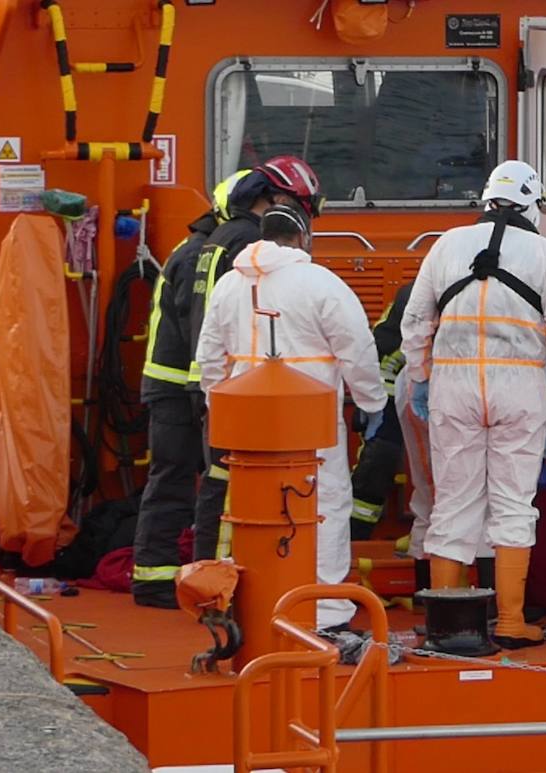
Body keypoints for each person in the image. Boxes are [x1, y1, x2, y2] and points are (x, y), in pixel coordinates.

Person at [400, 159, 546, 649]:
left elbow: (417, 319)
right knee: (512, 503)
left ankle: (448, 624)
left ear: (486, 199)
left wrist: (420, 377)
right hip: (520, 390)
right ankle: (509, 620)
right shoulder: (545, 255)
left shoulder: (445, 246)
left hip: (453, 388)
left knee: (454, 502)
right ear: (532, 204)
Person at [195, 202, 387, 630]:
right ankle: (323, 612)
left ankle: (257, 605)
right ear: (303, 237)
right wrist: (372, 404)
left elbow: (210, 357)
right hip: (309, 421)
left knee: (254, 515)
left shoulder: (229, 285)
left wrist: (218, 405)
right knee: (324, 507)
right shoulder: (321, 283)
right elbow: (357, 349)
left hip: (248, 424)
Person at [188, 156, 325, 561]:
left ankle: (212, 577)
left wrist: (212, 389)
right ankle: (220, 580)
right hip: (245, 389)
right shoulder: (251, 246)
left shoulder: (219, 237)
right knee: (232, 486)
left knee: (220, 483)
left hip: (223, 384)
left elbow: (209, 325)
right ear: (280, 199)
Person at [130, 171, 245, 607]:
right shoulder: (207, 255)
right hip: (181, 385)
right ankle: (165, 579)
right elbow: (202, 330)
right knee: (189, 477)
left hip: (171, 382)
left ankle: (154, 575)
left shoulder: (192, 249)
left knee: (171, 478)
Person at [348, 283, 412, 541]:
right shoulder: (419, 295)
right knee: (379, 460)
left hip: (430, 385)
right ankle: (354, 539)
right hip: (387, 385)